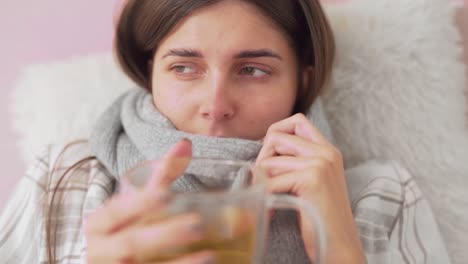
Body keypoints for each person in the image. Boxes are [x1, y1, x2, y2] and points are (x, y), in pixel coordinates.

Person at [0, 0, 451, 263]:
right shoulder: (66, 178)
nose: (215, 107)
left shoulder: (381, 196)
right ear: (148, 74)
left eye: (253, 69)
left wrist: (339, 249)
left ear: (304, 80)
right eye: (183, 67)